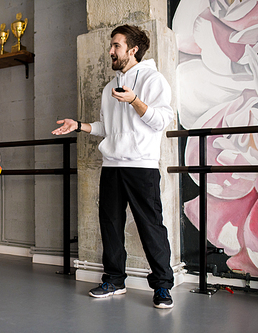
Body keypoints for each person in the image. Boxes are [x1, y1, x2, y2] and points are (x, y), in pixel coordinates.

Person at [52, 24, 175, 309]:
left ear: (132, 50)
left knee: (150, 227)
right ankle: (114, 280)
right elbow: (107, 128)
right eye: (112, 45)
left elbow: (160, 121)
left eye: (116, 45)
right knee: (110, 225)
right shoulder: (110, 87)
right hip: (112, 165)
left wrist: (134, 100)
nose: (111, 51)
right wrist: (79, 126)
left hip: (142, 166)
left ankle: (162, 286)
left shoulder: (153, 80)